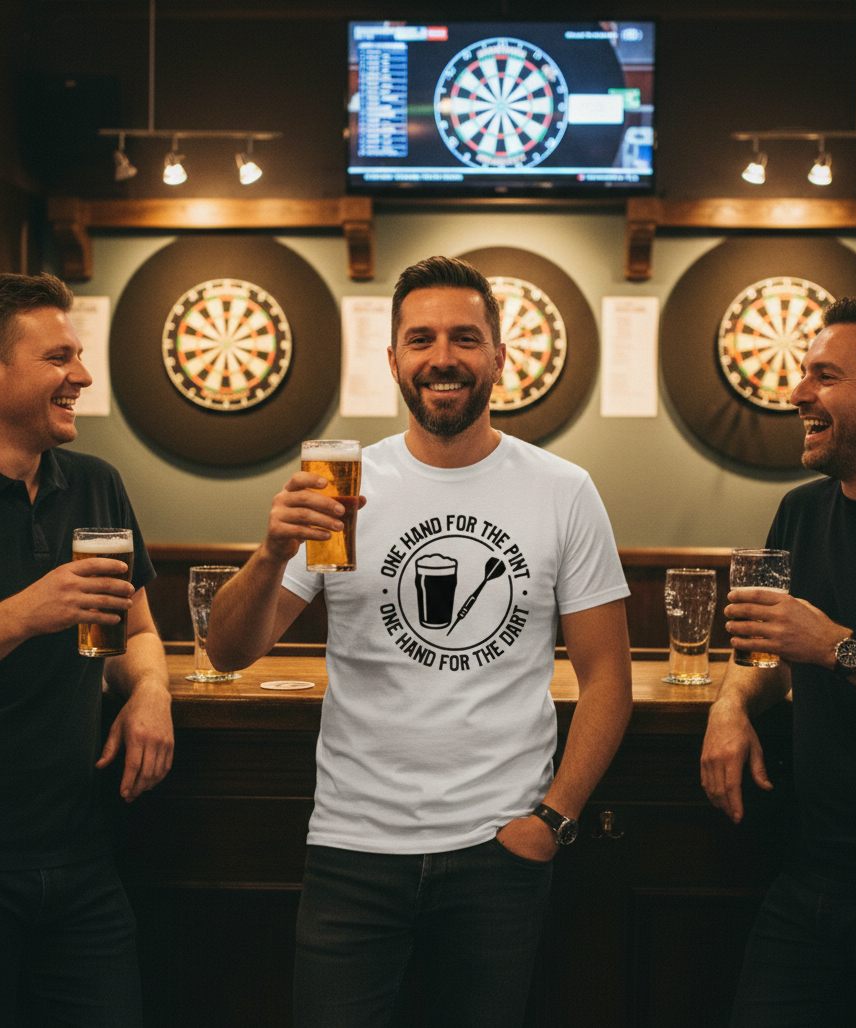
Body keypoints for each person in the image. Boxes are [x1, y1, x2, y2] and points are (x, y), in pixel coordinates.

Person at [207, 255, 633, 1028]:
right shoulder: (341, 486)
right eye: (422, 339)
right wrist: (270, 551)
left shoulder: (561, 490)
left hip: (498, 853)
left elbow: (608, 678)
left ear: (501, 358)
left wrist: (553, 819)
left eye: (466, 338)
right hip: (351, 846)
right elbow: (230, 653)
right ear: (395, 359)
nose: (443, 357)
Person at [700, 296, 856, 1027]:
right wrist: (731, 704)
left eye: (824, 376)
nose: (797, 393)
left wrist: (837, 647)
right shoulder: (800, 512)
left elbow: (815, 643)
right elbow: (760, 651)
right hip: (810, 873)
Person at [0, 272, 174, 1027]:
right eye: (57, 358)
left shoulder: (95, 484)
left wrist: (150, 692)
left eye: (78, 355)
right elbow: (35, 618)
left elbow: (136, 632)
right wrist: (20, 615)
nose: (82, 376)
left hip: (82, 858)